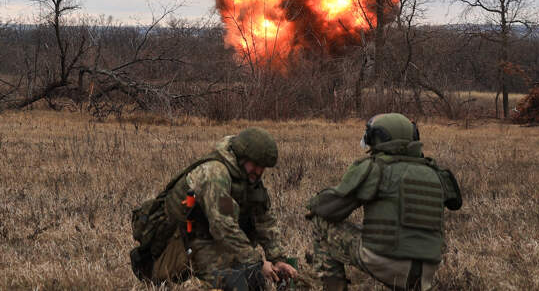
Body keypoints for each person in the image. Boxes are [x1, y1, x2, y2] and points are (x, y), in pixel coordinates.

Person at [305, 113, 462, 291]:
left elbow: (331, 209)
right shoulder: (435, 172)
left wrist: (315, 203)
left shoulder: (376, 168)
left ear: (378, 138)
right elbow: (455, 203)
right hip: (427, 270)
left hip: (385, 262)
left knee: (320, 221)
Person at [130, 127, 297, 290]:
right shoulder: (214, 174)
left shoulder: (247, 175)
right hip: (175, 246)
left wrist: (277, 259)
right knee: (238, 278)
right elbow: (223, 227)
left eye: (263, 167)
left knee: (251, 276)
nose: (259, 171)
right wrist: (256, 263)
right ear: (242, 157)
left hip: (206, 239)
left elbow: (263, 218)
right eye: (255, 165)